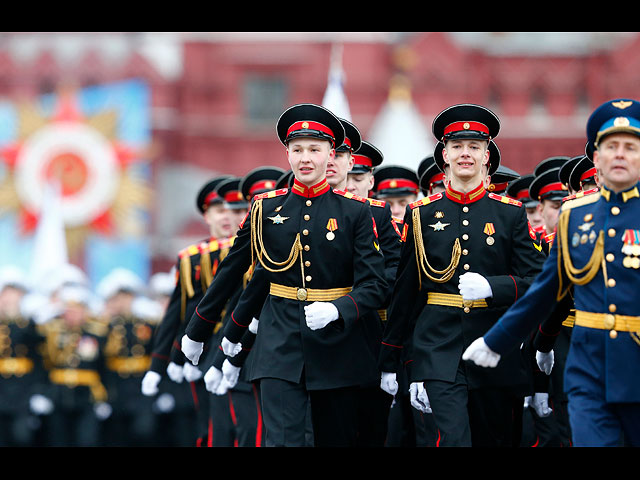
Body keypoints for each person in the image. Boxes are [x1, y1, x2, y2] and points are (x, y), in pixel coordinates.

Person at [183, 103, 388, 447]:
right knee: (281, 440)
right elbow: (233, 271)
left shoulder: (355, 211)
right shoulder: (265, 207)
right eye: (297, 150)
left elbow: (375, 284)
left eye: (314, 149)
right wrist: (198, 330)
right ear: (288, 155)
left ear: (330, 155)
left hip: (339, 345)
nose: (305, 158)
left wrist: (341, 308)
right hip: (279, 343)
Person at [463, 98, 640, 447]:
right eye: (611, 147)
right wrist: (496, 341)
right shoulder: (575, 217)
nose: (620, 155)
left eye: (630, 147)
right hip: (589, 371)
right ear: (597, 158)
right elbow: (548, 289)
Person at [379, 103, 546, 447]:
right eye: (457, 146)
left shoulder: (510, 214)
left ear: (487, 156)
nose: (465, 154)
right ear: (444, 154)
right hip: (437, 349)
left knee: (493, 438)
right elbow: (406, 291)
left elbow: (535, 282)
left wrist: (494, 287)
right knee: (452, 439)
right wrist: (394, 361)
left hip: (493, 343)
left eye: (474, 147)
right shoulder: (421, 214)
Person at [141, 175, 237, 447]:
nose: (226, 217)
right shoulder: (194, 257)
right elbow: (177, 312)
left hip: (244, 346)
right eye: (219, 211)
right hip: (203, 351)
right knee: (209, 423)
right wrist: (160, 363)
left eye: (233, 210)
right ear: (207, 216)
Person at [97, 268, 159, 447]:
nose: (122, 302)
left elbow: (156, 352)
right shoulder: (105, 326)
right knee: (118, 434)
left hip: (141, 384)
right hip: (117, 385)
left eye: (126, 297)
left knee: (144, 432)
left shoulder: (146, 323)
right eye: (117, 298)